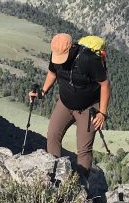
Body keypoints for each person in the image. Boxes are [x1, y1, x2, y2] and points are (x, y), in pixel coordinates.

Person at [29, 33, 111, 188]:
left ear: (72, 48)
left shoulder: (87, 59)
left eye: (63, 56)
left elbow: (105, 84)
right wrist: (43, 92)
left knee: (84, 150)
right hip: (65, 104)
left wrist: (102, 112)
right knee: (53, 135)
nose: (61, 60)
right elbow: (52, 73)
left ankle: (80, 185)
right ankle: (53, 176)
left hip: (88, 108)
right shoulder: (56, 55)